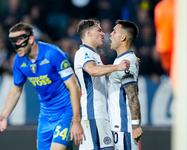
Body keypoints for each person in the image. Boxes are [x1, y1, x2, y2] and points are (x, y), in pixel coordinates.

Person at [0, 22, 85, 150]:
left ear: (31, 39)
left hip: (65, 113)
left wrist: (77, 121)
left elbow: (74, 87)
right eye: (13, 41)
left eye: (19, 40)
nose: (17, 46)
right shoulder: (19, 61)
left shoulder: (54, 54)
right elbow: (17, 89)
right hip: (45, 116)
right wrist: (4, 115)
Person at [74, 19, 130, 150]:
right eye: (99, 30)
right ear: (88, 33)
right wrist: (117, 67)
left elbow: (103, 73)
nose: (103, 33)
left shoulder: (93, 54)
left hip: (99, 114)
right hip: (94, 114)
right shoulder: (84, 53)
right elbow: (92, 71)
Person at [108, 20, 143, 150]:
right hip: (118, 127)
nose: (110, 35)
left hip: (124, 128)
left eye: (114, 31)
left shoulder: (126, 61)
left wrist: (135, 126)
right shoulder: (121, 61)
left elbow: (132, 95)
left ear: (123, 37)